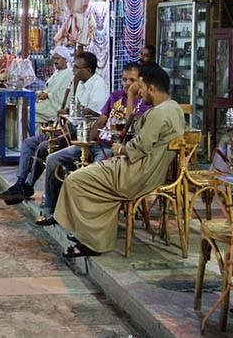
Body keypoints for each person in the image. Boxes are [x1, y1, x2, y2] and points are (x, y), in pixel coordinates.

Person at [55, 65, 184, 257]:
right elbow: (135, 129)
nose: (138, 92)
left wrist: (121, 149)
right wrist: (131, 96)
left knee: (76, 180)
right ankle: (91, 237)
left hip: (136, 174)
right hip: (143, 170)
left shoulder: (159, 113)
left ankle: (91, 241)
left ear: (151, 88)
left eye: (140, 87)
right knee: (86, 178)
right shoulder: (174, 108)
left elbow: (139, 146)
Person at [36, 62, 152, 224]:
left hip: (116, 150)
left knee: (92, 173)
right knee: (52, 159)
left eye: (131, 80)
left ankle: (86, 221)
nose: (127, 84)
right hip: (98, 143)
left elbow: (130, 128)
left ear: (141, 82)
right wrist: (88, 142)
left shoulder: (144, 104)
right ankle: (51, 210)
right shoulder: (115, 96)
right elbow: (101, 121)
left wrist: (132, 95)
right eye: (124, 79)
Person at [0, 51, 110, 204]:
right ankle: (20, 183)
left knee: (44, 147)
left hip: (82, 133)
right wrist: (67, 111)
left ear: (88, 70)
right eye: (74, 66)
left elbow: (96, 115)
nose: (74, 70)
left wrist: (73, 112)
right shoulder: (81, 83)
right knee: (29, 143)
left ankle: (28, 187)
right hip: (68, 126)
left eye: (77, 68)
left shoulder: (98, 85)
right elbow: (75, 106)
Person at [35, 45, 75, 123]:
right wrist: (42, 93)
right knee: (28, 111)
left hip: (56, 107)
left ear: (65, 60)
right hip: (48, 103)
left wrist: (48, 95)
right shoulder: (56, 73)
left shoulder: (69, 73)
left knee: (30, 112)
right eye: (54, 58)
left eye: (58, 58)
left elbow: (64, 95)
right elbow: (50, 89)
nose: (55, 61)